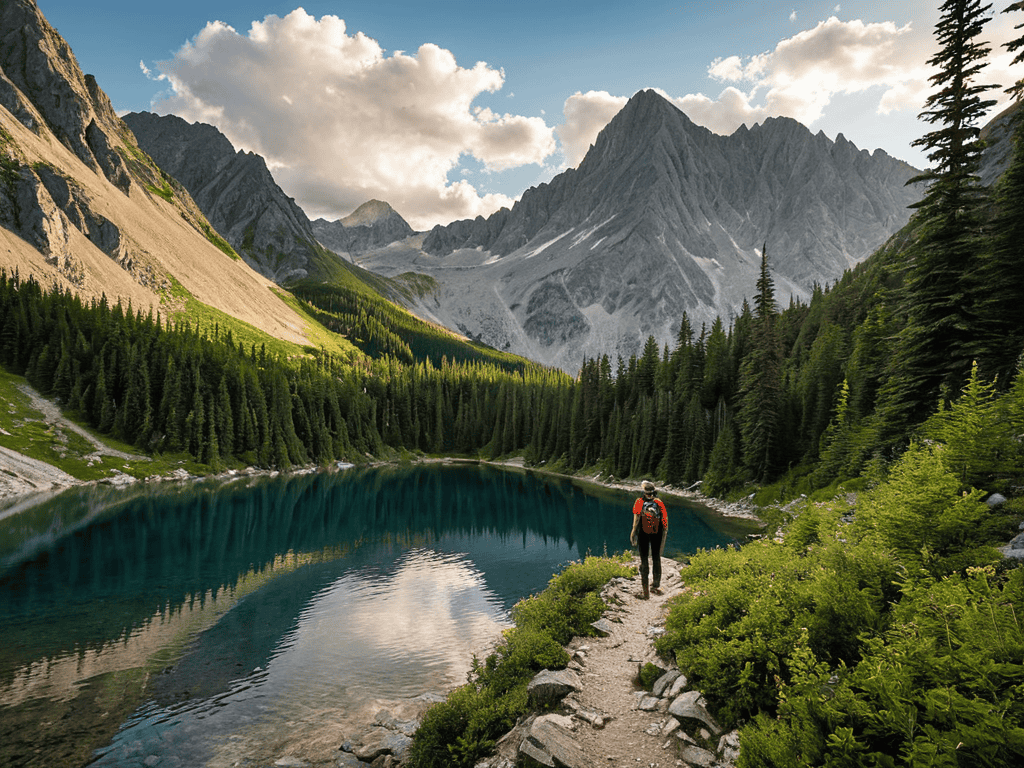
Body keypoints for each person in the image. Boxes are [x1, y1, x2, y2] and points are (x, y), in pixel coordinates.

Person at [630, 479, 668, 599]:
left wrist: (633, 533)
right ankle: (655, 586)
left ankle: (645, 592)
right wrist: (663, 535)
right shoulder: (659, 502)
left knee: (644, 559)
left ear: (644, 491)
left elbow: (636, 519)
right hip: (657, 533)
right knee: (656, 558)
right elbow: (665, 521)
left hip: (643, 533)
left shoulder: (639, 502)